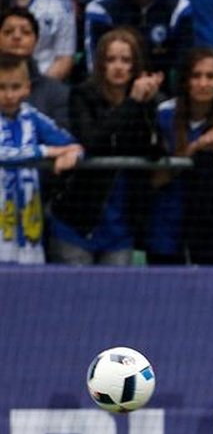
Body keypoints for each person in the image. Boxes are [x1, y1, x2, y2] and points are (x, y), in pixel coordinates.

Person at [48, 26, 162, 265]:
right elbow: (93, 141)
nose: (119, 66)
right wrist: (132, 102)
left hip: (121, 225)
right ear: (101, 64)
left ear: (135, 65)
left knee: (115, 299)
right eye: (111, 59)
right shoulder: (82, 96)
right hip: (78, 220)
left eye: (126, 60)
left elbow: (154, 152)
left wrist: (147, 107)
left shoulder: (145, 102)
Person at [147, 47, 213, 264]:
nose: (203, 83)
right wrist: (191, 153)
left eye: (211, 76)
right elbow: (153, 179)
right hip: (166, 224)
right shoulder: (163, 114)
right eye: (196, 76)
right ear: (185, 79)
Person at [0, 52, 81, 263]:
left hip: (28, 220)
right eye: (1, 88)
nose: (9, 95)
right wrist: (45, 152)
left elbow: (70, 143)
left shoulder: (32, 116)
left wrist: (72, 154)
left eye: (15, 87)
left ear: (27, 88)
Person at [84, 0, 194, 93]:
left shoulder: (178, 6)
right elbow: (95, 67)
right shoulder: (100, 8)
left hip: (161, 90)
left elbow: (184, 63)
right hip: (111, 94)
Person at [0, 6, 69, 128]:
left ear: (35, 41)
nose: (17, 37)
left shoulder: (57, 92)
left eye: (26, 32)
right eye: (8, 32)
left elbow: (64, 142)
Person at [2, 0, 75, 80]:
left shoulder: (59, 4)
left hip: (45, 77)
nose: (17, 36)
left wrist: (40, 87)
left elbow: (64, 58)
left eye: (26, 32)